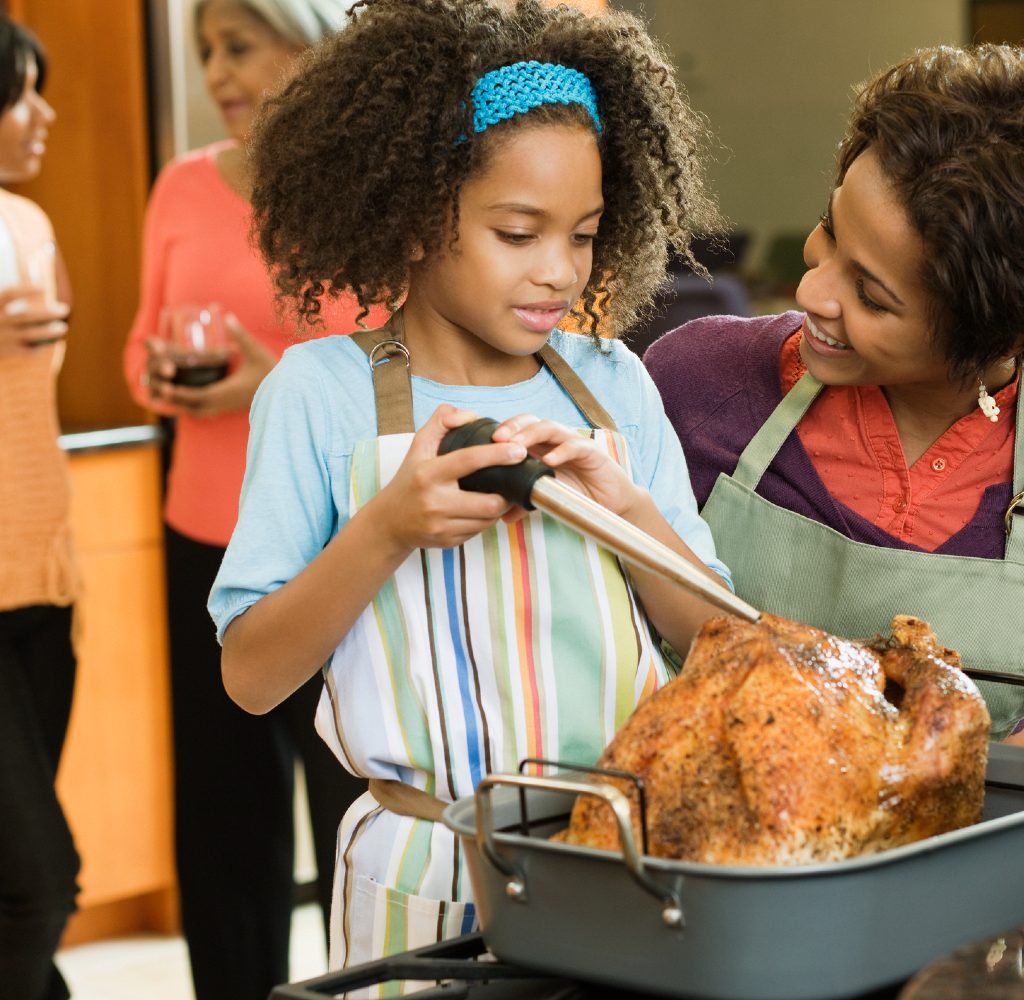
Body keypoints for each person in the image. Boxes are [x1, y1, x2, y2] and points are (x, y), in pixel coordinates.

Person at [208, 0, 733, 975]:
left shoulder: (614, 382)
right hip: (421, 871)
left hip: (615, 855)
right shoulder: (318, 395)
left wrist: (626, 511)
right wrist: (386, 527)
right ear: (410, 217)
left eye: (581, 234)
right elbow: (250, 676)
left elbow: (717, 642)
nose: (556, 271)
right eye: (517, 230)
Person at [644, 43, 1024, 743]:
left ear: (997, 333)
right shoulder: (692, 385)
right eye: (829, 228)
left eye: (872, 297)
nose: (810, 291)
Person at [122, 3, 376, 997]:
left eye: (238, 46)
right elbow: (137, 351)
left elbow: (386, 367)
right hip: (203, 535)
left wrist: (274, 377)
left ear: (308, 46)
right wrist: (164, 375)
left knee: (352, 797)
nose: (218, 74)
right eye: (205, 55)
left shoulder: (364, 191)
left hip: (336, 543)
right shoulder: (181, 187)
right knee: (226, 817)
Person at [0, 16, 79, 1000]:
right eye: (20, 92)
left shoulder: (31, 225)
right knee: (37, 887)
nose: (42, 113)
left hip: (43, 577)